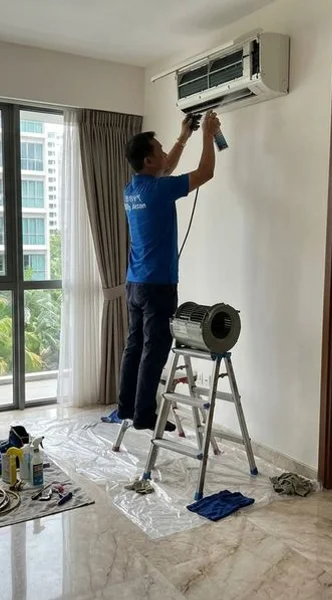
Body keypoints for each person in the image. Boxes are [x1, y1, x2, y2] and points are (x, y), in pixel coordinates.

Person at [117, 111, 221, 430]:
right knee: (154, 348)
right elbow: (205, 173)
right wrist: (207, 133)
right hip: (158, 285)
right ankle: (145, 415)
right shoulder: (158, 191)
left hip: (135, 283)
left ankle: (126, 407)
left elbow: (167, 167)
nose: (164, 155)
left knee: (135, 345)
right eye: (159, 151)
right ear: (149, 161)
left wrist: (182, 137)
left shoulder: (133, 190)